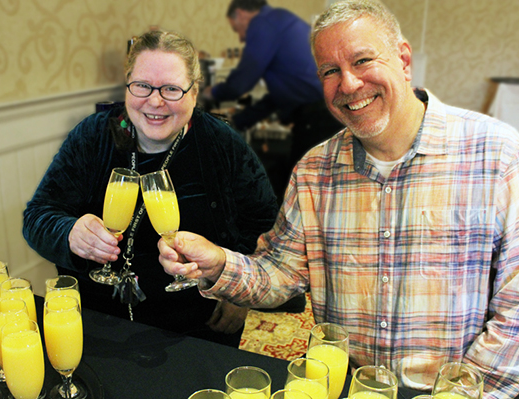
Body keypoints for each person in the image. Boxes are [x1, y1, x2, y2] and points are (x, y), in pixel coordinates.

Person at [158, 1, 519, 397]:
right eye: (330, 71)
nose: (348, 84)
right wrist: (219, 262)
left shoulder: (498, 156)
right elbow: (279, 275)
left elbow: (514, 315)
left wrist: (459, 393)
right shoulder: (315, 170)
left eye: (362, 60)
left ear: (403, 59)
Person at [22, 30, 280, 347]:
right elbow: (37, 216)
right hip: (98, 321)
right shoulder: (94, 135)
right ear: (128, 85)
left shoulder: (220, 144)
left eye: (171, 89)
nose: (155, 101)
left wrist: (238, 294)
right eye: (143, 86)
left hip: (195, 327)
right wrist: (69, 232)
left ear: (194, 92)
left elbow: (267, 224)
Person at [202, 0, 343, 198]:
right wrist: (238, 122)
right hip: (325, 114)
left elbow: (242, 81)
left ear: (240, 14)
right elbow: (276, 98)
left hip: (317, 117)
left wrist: (212, 93)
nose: (242, 38)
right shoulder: (282, 20)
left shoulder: (263, 23)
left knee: (297, 188)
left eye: (237, 30)